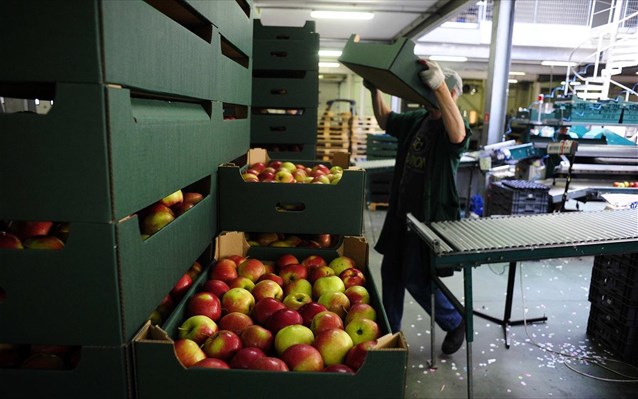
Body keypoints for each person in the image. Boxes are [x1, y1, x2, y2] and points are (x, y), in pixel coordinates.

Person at [364, 60, 471, 355]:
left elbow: (458, 135)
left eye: (433, 90)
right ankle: (388, 335)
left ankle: (455, 320)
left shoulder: (452, 125)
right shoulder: (417, 120)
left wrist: (438, 86)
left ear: (450, 93)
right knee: (391, 274)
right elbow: (386, 120)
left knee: (417, 278)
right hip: (401, 215)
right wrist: (375, 89)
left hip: (429, 221)